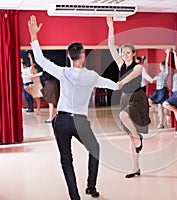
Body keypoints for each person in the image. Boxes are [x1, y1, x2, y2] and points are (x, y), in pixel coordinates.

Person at [28, 15, 120, 200]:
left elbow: (40, 59)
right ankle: (91, 187)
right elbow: (115, 85)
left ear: (69, 56)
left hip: (61, 121)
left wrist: (33, 35)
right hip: (80, 122)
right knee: (95, 149)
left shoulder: (63, 72)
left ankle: (75, 197)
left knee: (66, 160)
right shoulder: (92, 76)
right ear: (83, 56)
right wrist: (127, 76)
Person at [107, 16, 151, 178]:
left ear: (133, 54)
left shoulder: (138, 66)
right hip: (125, 98)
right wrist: (111, 26)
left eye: (127, 52)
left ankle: (138, 137)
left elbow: (131, 76)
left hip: (137, 99)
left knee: (123, 115)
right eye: (122, 52)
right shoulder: (120, 64)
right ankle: (135, 167)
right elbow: (111, 46)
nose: (124, 55)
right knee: (130, 138)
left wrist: (120, 82)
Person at [149, 49, 170, 129]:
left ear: (163, 66)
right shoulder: (159, 73)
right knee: (150, 101)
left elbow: (167, 64)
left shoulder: (165, 72)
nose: (159, 66)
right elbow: (152, 79)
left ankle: (161, 124)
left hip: (162, 90)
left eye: (160, 65)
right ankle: (161, 111)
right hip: (157, 90)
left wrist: (167, 54)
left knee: (161, 106)